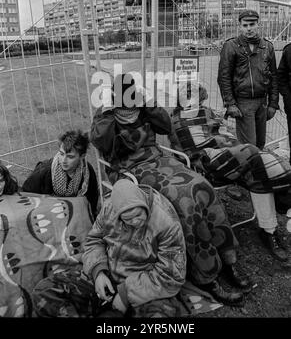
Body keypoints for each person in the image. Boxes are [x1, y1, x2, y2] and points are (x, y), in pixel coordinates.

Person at [89, 72, 253, 306]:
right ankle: (206, 275)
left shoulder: (142, 107)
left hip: (159, 160)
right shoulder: (106, 114)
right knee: (184, 199)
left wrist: (150, 104)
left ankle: (227, 259)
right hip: (130, 170)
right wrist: (107, 111)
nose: (129, 103)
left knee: (201, 185)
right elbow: (101, 142)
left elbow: (165, 127)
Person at [32, 178, 186, 318]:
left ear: (144, 205)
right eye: (128, 219)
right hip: (108, 278)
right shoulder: (109, 209)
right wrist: (98, 272)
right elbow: (94, 241)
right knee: (44, 291)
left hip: (144, 285)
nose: (135, 221)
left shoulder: (166, 222)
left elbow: (171, 275)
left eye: (138, 214)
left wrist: (125, 294)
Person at [217, 9, 288, 262]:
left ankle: (250, 184)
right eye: (246, 24)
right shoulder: (231, 47)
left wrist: (272, 103)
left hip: (261, 103)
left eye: (253, 24)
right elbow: (224, 77)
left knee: (258, 145)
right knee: (250, 150)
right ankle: (252, 188)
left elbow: (273, 79)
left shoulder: (268, 47)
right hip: (243, 103)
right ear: (239, 25)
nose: (250, 28)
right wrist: (230, 104)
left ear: (259, 24)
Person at [169, 83, 291, 209]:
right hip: (206, 164)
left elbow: (219, 132)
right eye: (199, 99)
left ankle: (270, 224)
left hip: (217, 158)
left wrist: (226, 141)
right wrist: (225, 143)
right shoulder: (182, 118)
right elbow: (195, 144)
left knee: (256, 169)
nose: (201, 102)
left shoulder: (194, 113)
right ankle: (283, 190)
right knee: (252, 154)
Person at [22, 130, 99, 219]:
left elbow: (92, 201)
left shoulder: (87, 172)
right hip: (46, 216)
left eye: (70, 157)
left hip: (75, 216)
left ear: (82, 156)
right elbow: (27, 194)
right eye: (61, 154)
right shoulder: (45, 170)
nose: (63, 160)